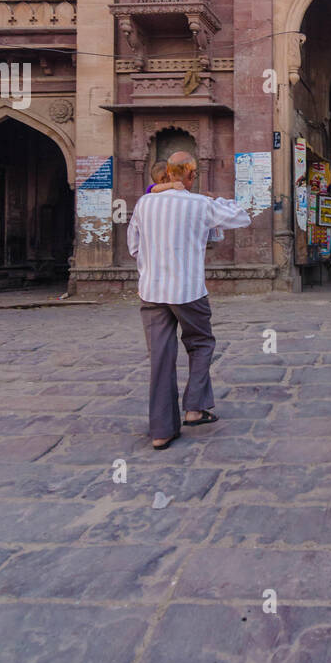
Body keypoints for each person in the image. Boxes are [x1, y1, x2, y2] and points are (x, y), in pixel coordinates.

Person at [126, 151, 252, 449]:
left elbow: (134, 247)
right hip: (187, 290)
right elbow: (242, 216)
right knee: (201, 343)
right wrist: (213, 200)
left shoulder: (144, 203)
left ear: (168, 174)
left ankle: (160, 431)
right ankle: (194, 407)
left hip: (152, 291)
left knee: (160, 356)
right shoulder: (200, 205)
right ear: (192, 175)